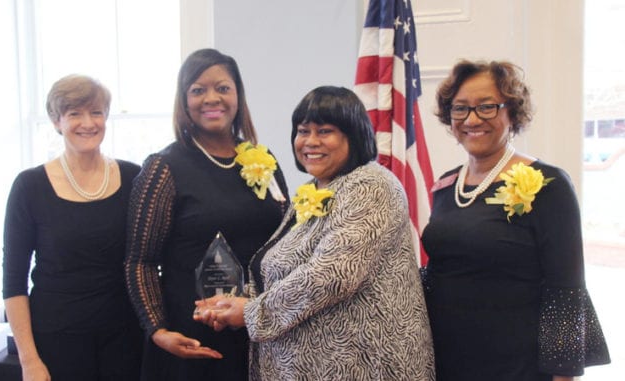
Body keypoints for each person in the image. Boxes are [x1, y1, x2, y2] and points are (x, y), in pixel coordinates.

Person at [195, 86, 435, 380]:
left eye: (324, 131)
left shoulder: (371, 185)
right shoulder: (313, 189)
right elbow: (279, 270)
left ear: (353, 134)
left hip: (364, 365)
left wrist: (250, 312)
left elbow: (333, 275)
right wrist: (234, 304)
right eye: (302, 131)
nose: (310, 141)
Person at [421, 60, 611, 381]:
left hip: (514, 366)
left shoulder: (548, 184)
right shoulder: (446, 185)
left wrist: (563, 375)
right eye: (460, 109)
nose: (472, 119)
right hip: (446, 359)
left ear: (513, 111)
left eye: (487, 107)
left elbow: (565, 289)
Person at [124, 48, 289, 381]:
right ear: (184, 102)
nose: (211, 98)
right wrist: (157, 329)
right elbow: (139, 261)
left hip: (256, 330)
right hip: (191, 338)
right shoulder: (164, 168)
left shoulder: (263, 160)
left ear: (238, 97)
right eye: (198, 90)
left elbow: (286, 241)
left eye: (223, 88)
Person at [2, 74, 143, 381]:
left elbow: (151, 258)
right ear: (56, 121)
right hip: (56, 340)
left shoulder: (135, 178)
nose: (87, 123)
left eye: (96, 112)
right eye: (74, 113)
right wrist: (29, 361)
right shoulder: (29, 187)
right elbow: (13, 281)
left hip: (124, 337)